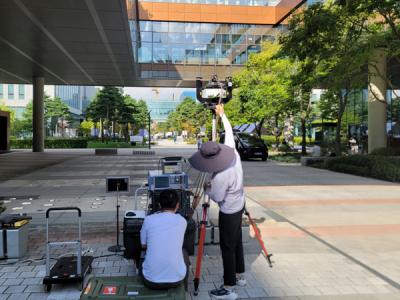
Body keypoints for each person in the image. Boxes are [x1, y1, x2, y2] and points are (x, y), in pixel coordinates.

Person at [189, 104, 245, 300]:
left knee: (227, 247)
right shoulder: (232, 153)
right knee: (237, 241)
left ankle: (229, 287)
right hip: (240, 204)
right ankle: (240, 275)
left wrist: (207, 188)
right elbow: (229, 132)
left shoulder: (221, 175)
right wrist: (222, 114)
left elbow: (218, 197)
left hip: (229, 211)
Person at [140, 189, 189, 290]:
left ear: (159, 204)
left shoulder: (148, 220)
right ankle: (185, 288)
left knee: (143, 255)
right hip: (177, 280)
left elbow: (143, 245)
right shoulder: (182, 221)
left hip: (151, 281)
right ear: (177, 205)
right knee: (183, 252)